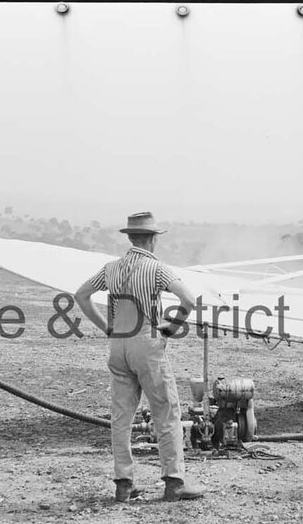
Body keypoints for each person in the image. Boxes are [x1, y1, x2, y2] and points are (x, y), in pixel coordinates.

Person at [74, 212, 205, 502]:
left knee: (121, 417)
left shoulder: (111, 268)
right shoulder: (157, 270)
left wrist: (107, 328)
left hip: (118, 345)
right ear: (153, 238)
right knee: (166, 412)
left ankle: (124, 484)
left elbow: (81, 295)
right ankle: (174, 482)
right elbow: (189, 300)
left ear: (130, 237)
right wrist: (171, 327)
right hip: (146, 343)